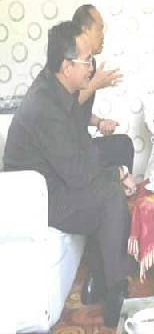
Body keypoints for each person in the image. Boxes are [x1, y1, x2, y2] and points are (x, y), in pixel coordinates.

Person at [2, 21, 134, 327]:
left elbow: (82, 147)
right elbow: (77, 173)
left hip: (56, 180)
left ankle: (101, 278)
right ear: (66, 66)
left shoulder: (59, 88)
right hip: (37, 201)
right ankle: (115, 296)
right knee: (110, 197)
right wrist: (117, 173)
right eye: (86, 61)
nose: (91, 67)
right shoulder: (45, 107)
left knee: (109, 177)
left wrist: (110, 170)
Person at [71, 4, 134, 173]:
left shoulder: (90, 63)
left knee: (123, 145)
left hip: (82, 142)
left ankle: (121, 186)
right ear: (84, 30)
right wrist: (95, 84)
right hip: (67, 149)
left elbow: (78, 111)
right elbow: (64, 105)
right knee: (121, 148)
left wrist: (99, 122)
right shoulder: (71, 62)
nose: (103, 35)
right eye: (99, 29)